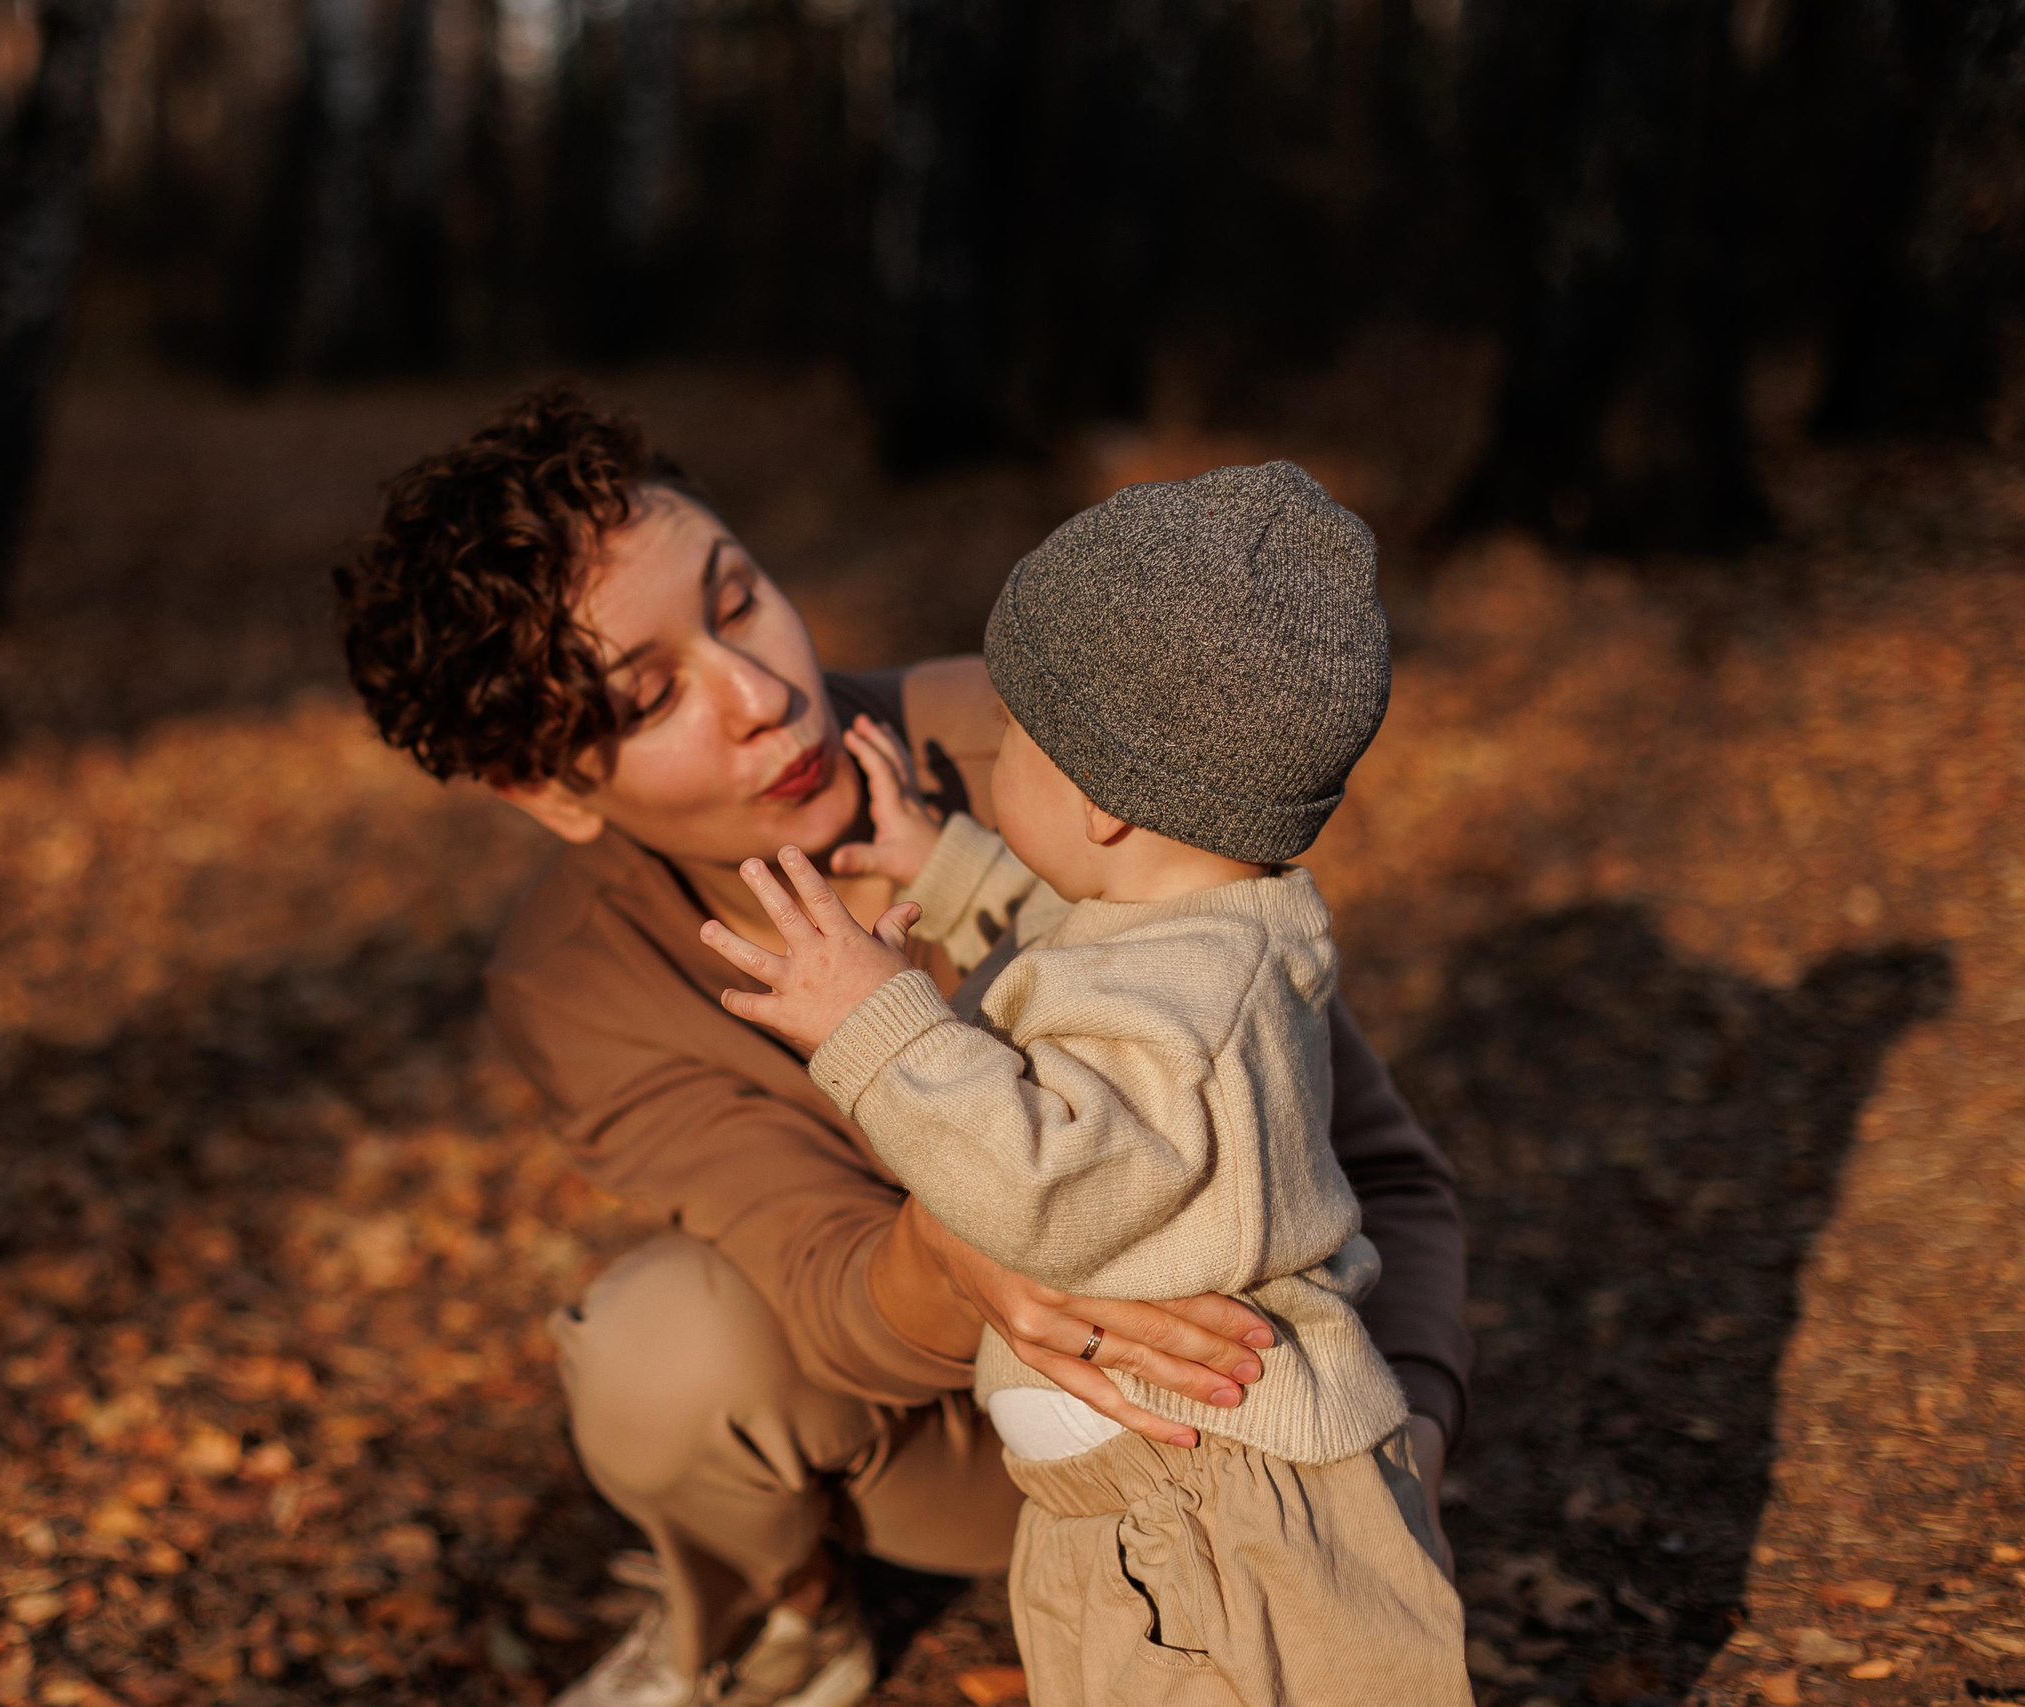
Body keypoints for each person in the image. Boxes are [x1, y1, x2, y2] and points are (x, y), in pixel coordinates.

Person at [333, 390, 1471, 1707]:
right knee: (656, 1347)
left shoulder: (1054, 744)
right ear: (546, 786)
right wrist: (972, 1256)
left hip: (1261, 1412)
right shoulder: (579, 976)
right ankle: (798, 1614)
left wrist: (1408, 1443)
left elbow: (1384, 1167)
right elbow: (824, 1289)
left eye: (740, 594)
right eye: (650, 693)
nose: (764, 694)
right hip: (971, 1446)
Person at [697, 464, 1469, 1705]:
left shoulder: (1187, 1004)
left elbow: (1049, 1185)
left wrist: (875, 1026)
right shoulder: (1206, 924)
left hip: (1214, 1500)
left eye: (1013, 743)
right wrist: (939, 867)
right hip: (1144, 1488)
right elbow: (1076, 944)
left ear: (1105, 806)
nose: (990, 759)